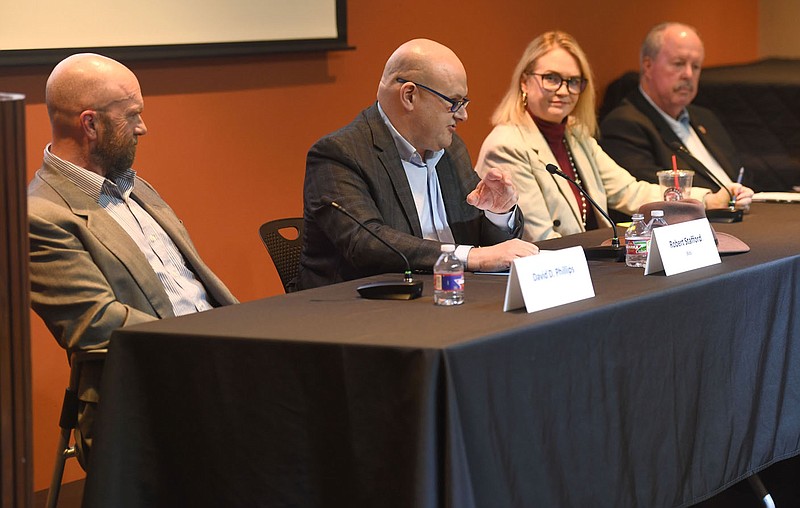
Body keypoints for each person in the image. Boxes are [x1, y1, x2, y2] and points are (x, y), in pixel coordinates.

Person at [28, 53, 237, 468]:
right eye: (133, 115)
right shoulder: (39, 217)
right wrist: (214, 344)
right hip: (145, 394)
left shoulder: (133, 186)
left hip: (216, 365)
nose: (144, 127)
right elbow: (97, 326)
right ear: (91, 124)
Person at [297, 39, 539, 290]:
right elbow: (367, 243)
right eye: (454, 102)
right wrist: (470, 257)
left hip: (454, 298)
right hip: (366, 312)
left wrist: (497, 214)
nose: (463, 115)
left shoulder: (451, 150)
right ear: (410, 95)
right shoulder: (339, 154)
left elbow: (487, 246)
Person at [475, 31, 752, 242]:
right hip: (553, 273)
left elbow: (629, 191)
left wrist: (706, 200)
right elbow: (540, 238)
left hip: (591, 262)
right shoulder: (507, 145)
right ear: (525, 81)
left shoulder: (575, 135)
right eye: (551, 78)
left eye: (573, 81)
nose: (563, 90)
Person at [599, 22, 744, 192]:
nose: (689, 74)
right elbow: (656, 192)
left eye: (695, 66)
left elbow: (740, 177)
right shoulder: (624, 125)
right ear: (648, 66)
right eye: (678, 63)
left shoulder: (706, 118)